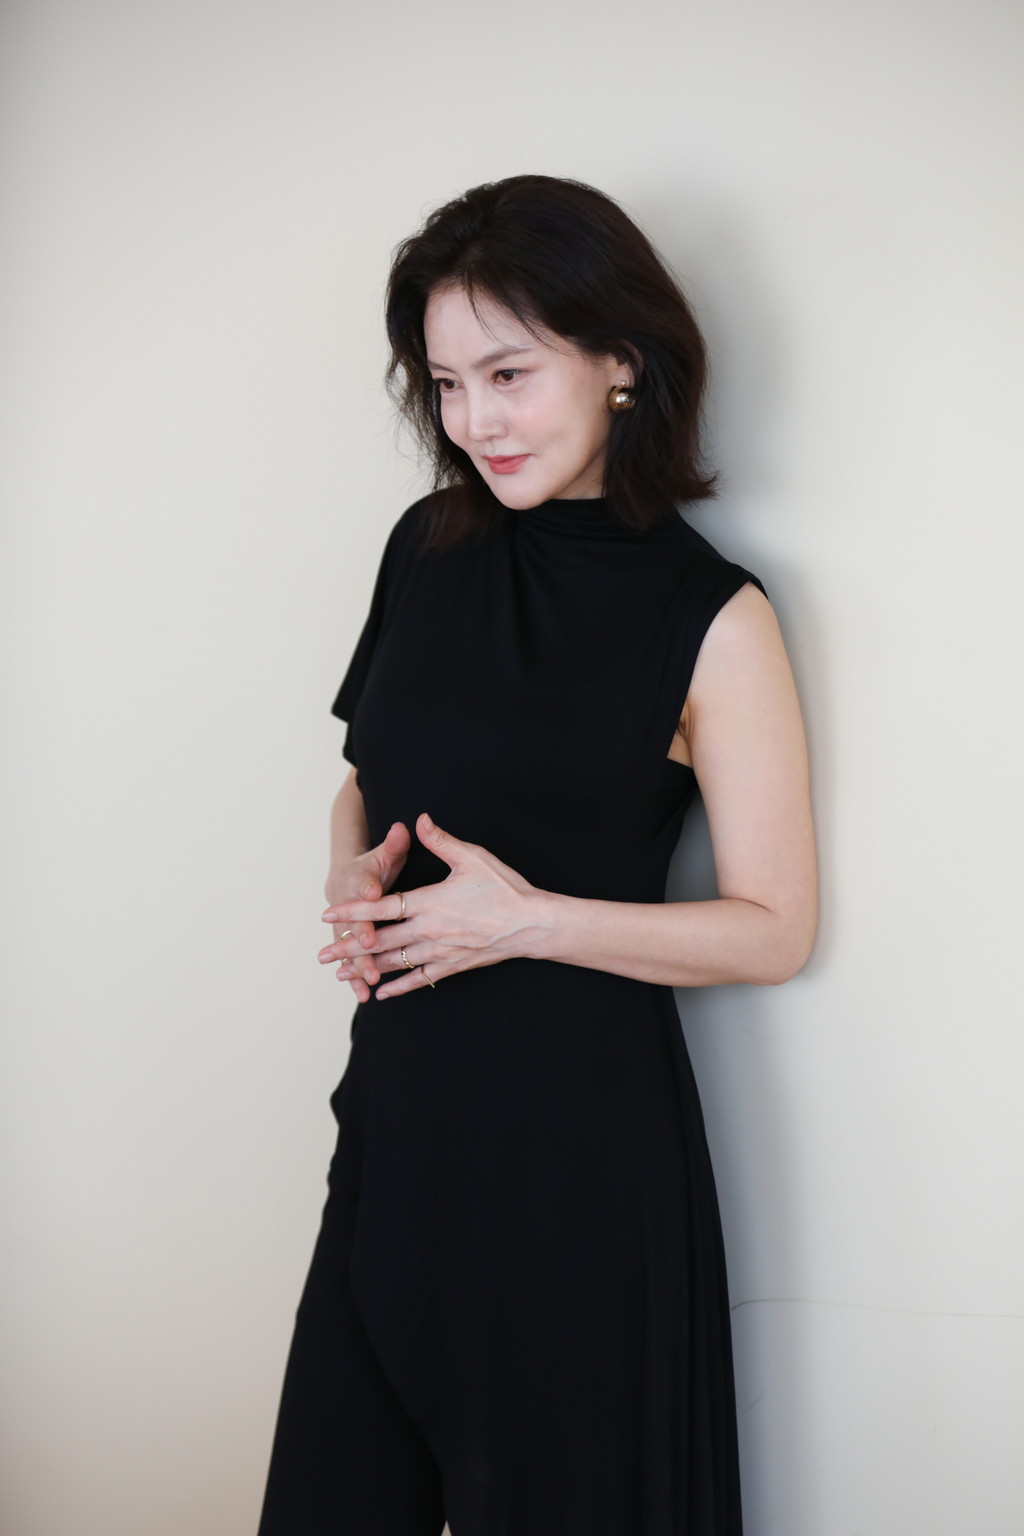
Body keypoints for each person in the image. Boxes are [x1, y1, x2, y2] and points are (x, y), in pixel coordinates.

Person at [256, 173, 817, 1536]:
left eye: (508, 373)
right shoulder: (426, 546)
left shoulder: (712, 615)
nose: (474, 421)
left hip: (577, 1171)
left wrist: (528, 921)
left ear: (622, 359)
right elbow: (366, 778)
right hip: (394, 1130)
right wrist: (350, 871)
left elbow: (774, 928)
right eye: (447, 384)